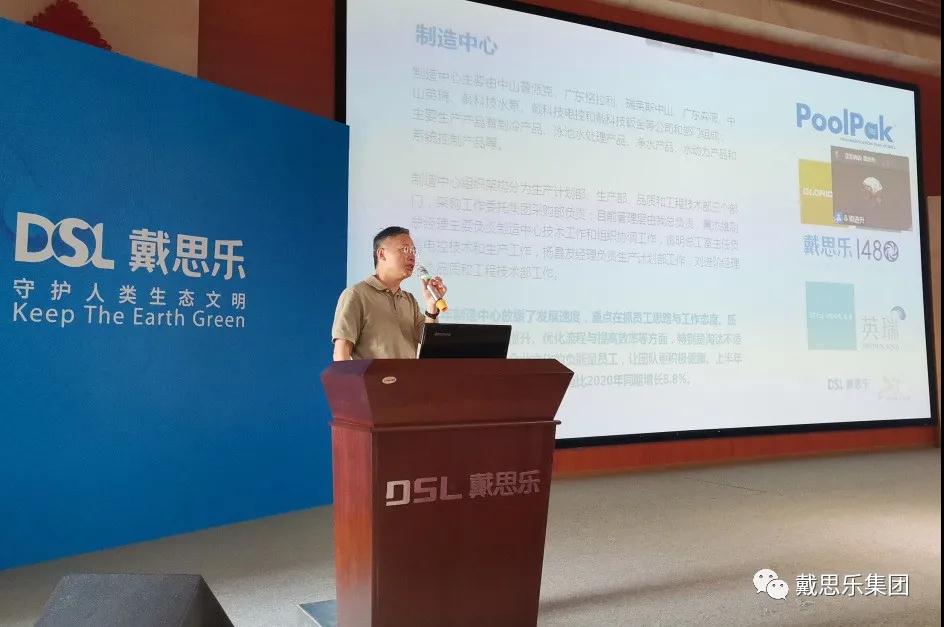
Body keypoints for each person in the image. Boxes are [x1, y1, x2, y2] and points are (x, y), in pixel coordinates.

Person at [331, 226, 447, 360]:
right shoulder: (357, 294)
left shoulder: (409, 300)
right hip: (373, 375)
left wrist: (431, 306)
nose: (412, 256)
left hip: (409, 375)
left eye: (413, 251)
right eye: (405, 249)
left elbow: (430, 345)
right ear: (381, 254)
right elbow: (341, 353)